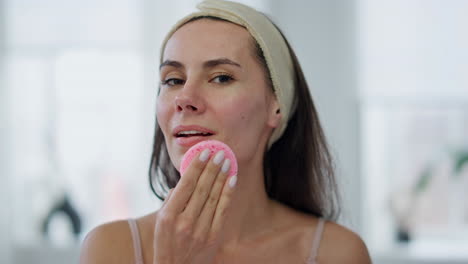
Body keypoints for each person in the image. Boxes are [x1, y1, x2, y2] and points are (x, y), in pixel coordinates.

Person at [80, 1, 372, 263]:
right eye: (173, 80)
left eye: (221, 77)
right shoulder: (110, 249)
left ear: (276, 105)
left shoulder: (338, 253)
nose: (184, 98)